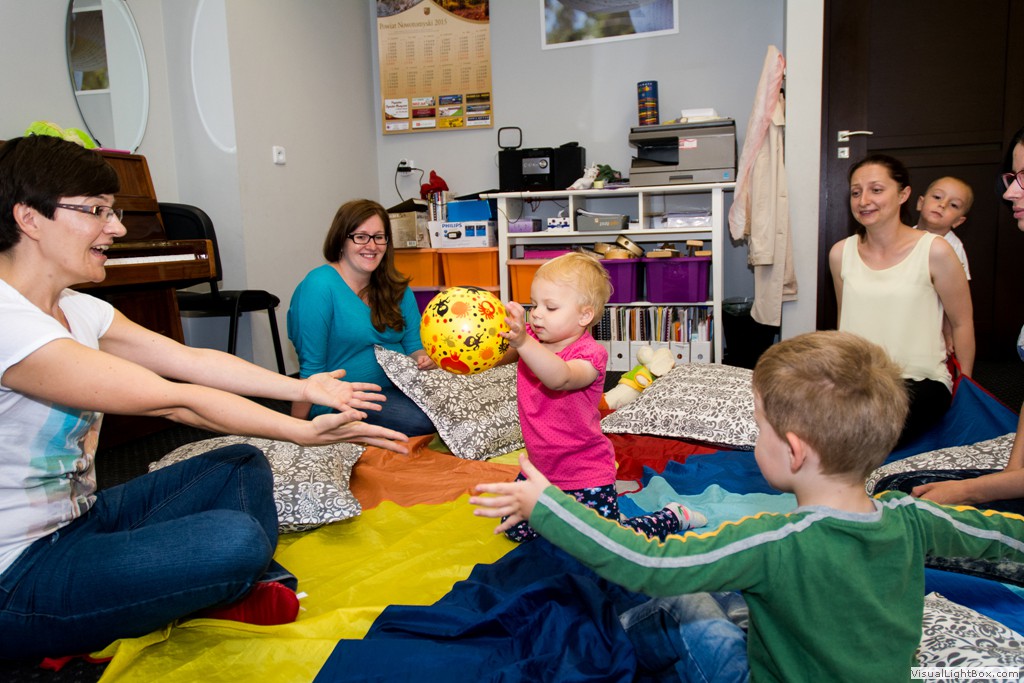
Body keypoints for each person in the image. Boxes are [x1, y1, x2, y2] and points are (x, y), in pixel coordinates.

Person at [0, 136, 409, 661]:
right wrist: (301, 430)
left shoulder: (78, 307)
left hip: (82, 520)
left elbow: (188, 360)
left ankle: (213, 590)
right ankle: (217, 588)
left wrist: (303, 388)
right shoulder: (9, 322)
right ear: (29, 218)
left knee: (240, 462)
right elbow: (175, 400)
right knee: (234, 540)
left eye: (114, 211)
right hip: (19, 572)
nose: (116, 227)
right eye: (97, 211)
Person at [470, 330, 1024, 682]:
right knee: (735, 596)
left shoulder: (772, 540)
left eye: (759, 428)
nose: (755, 440)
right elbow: (1001, 539)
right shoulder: (913, 519)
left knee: (687, 603)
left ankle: (627, 628)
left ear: (794, 451)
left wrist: (548, 506)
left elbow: (647, 562)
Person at [497, 252, 705, 543]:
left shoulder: (590, 354)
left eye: (550, 307)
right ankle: (580, 518)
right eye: (534, 304)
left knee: (604, 543)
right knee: (515, 530)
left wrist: (523, 342)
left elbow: (559, 378)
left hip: (584, 472)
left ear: (584, 315)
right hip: (541, 468)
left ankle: (671, 516)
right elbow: (497, 356)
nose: (537, 314)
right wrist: (454, 353)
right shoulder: (530, 338)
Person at [889, 126, 1024, 510]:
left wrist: (974, 490)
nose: (1010, 193)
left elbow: (958, 314)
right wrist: (1010, 475)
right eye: (1012, 178)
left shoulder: (947, 250)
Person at [828, 153, 974, 447]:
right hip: (859, 380)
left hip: (919, 382)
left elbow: (962, 322)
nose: (863, 200)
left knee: (863, 432)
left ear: (904, 194)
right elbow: (844, 321)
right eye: (856, 192)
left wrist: (966, 392)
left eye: (876, 190)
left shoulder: (935, 250)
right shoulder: (841, 253)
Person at [287, 199, 436, 436]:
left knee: (458, 406)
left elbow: (414, 345)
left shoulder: (396, 287)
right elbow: (312, 370)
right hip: (343, 399)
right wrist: (296, 431)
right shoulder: (319, 287)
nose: (372, 245)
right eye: (361, 237)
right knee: (422, 421)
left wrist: (423, 359)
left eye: (379, 237)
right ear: (341, 240)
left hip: (403, 387)